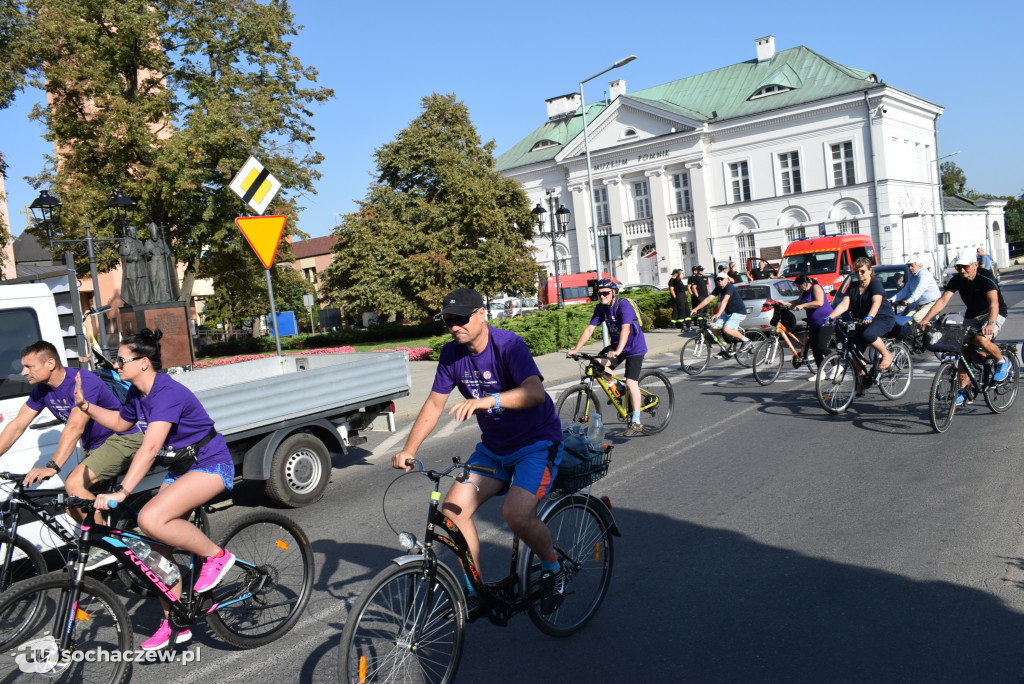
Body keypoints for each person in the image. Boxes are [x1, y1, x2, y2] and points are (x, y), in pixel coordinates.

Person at [391, 288, 566, 614]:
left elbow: (535, 392)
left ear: (482, 314)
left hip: (536, 443)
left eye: (462, 319)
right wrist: (408, 449)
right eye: (449, 321)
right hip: (494, 449)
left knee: (515, 514)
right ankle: (475, 591)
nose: (455, 326)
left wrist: (490, 400)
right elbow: (433, 403)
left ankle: (553, 567)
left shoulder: (509, 345)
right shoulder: (451, 355)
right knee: (452, 515)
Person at [74, 328, 236, 650]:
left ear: (144, 362)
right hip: (182, 469)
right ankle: (175, 622)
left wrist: (122, 491)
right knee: (154, 550)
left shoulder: (166, 393)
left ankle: (217, 556)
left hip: (211, 464)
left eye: (121, 359)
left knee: (150, 519)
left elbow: (149, 448)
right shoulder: (137, 393)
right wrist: (85, 406)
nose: (115, 364)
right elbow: (122, 424)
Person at [0, 341, 144, 536]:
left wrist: (53, 466)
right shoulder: (42, 390)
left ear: (50, 364)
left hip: (121, 438)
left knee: (73, 485)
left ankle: (107, 546)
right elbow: (17, 426)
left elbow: (75, 426)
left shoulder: (82, 380)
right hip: (96, 447)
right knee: (73, 506)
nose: (24, 372)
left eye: (29, 366)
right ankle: (104, 542)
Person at [919, 253, 1009, 405]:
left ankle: (1001, 362)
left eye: (965, 267)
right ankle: (963, 389)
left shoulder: (985, 276)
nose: (961, 270)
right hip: (972, 316)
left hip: (993, 313)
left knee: (981, 338)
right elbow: (943, 300)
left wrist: (991, 323)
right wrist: (926, 319)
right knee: (962, 347)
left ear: (974, 265)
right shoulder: (957, 279)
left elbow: (994, 302)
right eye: (958, 267)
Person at [567, 279, 649, 437]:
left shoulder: (623, 305)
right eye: (599, 294)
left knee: (632, 382)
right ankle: (617, 385)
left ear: (614, 292)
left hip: (633, 348)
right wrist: (575, 350)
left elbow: (625, 329)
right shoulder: (601, 308)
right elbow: (590, 329)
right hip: (617, 346)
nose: (602, 296)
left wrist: (618, 350)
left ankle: (636, 421)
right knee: (596, 364)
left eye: (605, 293)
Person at [826, 258, 896, 390]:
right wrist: (830, 316)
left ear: (870, 271)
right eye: (857, 271)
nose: (860, 274)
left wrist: (871, 315)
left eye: (863, 271)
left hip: (882, 318)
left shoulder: (875, 284)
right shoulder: (853, 286)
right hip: (862, 321)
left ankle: (887, 355)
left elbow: (876, 302)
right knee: (854, 350)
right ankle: (861, 382)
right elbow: (844, 304)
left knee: (869, 335)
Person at [782, 276, 834, 380]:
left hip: (825, 321)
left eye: (799, 286)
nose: (798, 288)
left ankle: (836, 365)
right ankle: (821, 372)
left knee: (821, 345)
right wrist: (784, 303)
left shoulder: (815, 287)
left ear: (805, 283)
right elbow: (797, 302)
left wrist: (803, 306)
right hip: (813, 323)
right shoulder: (805, 292)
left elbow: (819, 302)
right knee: (814, 347)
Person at [692, 272, 754, 353]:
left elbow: (725, 300)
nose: (719, 281)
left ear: (727, 280)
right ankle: (724, 346)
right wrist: (695, 309)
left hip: (739, 313)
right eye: (718, 279)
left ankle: (746, 340)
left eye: (722, 279)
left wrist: (718, 314)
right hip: (728, 314)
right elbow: (708, 299)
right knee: (714, 328)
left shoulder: (729, 287)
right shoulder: (718, 288)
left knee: (726, 329)